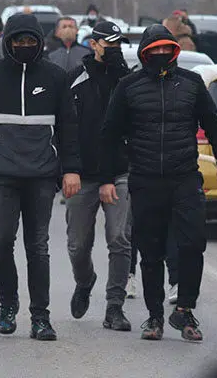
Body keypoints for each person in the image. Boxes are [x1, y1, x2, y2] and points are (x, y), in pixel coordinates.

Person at [100, 24, 217, 342]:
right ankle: (154, 317)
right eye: (154, 50)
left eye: (166, 49)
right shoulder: (128, 86)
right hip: (145, 180)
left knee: (192, 244)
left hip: (185, 178)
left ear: (174, 51)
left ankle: (185, 310)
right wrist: (106, 177)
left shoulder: (191, 83)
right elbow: (109, 134)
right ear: (145, 53)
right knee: (151, 250)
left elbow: (214, 124)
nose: (161, 54)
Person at [0, 13, 82, 341]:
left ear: (40, 42)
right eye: (18, 41)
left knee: (37, 248)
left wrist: (71, 169)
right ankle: (7, 305)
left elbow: (70, 127)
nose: (24, 46)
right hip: (0, 173)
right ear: (8, 42)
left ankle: (41, 317)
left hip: (42, 175)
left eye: (30, 41)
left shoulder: (55, 76)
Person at [65, 20, 134, 331]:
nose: (115, 50)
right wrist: (67, 170)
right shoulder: (73, 81)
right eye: (110, 45)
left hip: (120, 172)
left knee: (119, 239)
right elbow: (63, 131)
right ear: (93, 45)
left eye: (119, 45)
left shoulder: (129, 81)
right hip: (83, 174)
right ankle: (85, 280)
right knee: (78, 244)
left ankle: (114, 306)